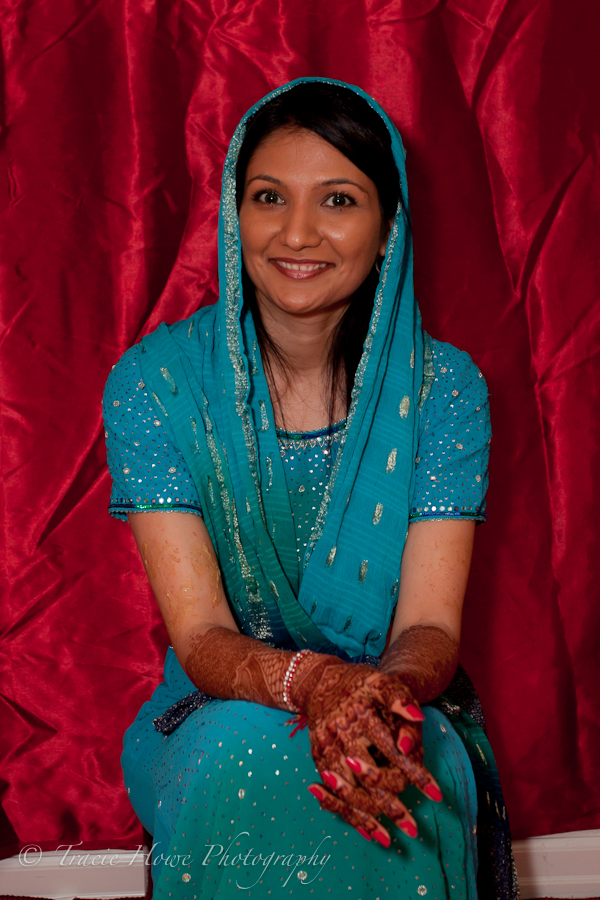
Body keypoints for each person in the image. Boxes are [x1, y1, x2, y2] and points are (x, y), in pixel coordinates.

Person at [103, 78, 516, 899]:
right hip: (219, 705)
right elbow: (203, 635)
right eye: (268, 197)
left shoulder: (445, 391)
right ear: (234, 213)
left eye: (337, 199)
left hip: (397, 700)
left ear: (388, 226)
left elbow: (431, 623)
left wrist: (376, 699)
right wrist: (320, 687)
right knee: (244, 761)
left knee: (396, 764)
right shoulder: (156, 384)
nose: (298, 233)